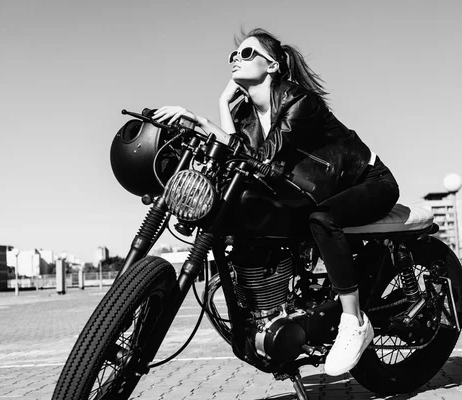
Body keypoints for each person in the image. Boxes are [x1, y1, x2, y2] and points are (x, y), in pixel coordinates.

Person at [152, 28, 400, 376]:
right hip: (314, 189)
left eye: (247, 53)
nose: (236, 58)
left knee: (322, 220)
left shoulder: (299, 101)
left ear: (272, 65)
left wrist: (204, 119)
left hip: (368, 180)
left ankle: (354, 322)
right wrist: (215, 109)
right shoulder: (249, 116)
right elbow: (238, 154)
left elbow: (262, 158)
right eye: (232, 55)